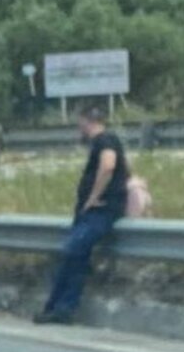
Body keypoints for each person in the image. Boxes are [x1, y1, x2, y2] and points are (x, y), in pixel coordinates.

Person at [34, 106, 129, 325]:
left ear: (88, 121)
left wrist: (93, 197)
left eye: (80, 123)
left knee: (71, 252)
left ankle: (61, 307)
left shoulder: (105, 140)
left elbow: (108, 166)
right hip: (94, 211)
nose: (79, 128)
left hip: (100, 210)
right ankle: (59, 309)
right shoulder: (107, 141)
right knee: (76, 258)